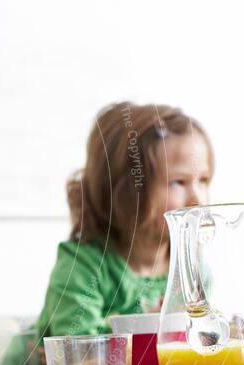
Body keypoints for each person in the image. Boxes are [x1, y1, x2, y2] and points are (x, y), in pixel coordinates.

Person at [36, 102, 214, 341]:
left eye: (203, 180)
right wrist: (145, 331)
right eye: (177, 182)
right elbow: (79, 360)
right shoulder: (83, 266)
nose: (198, 199)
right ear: (126, 192)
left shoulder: (194, 272)